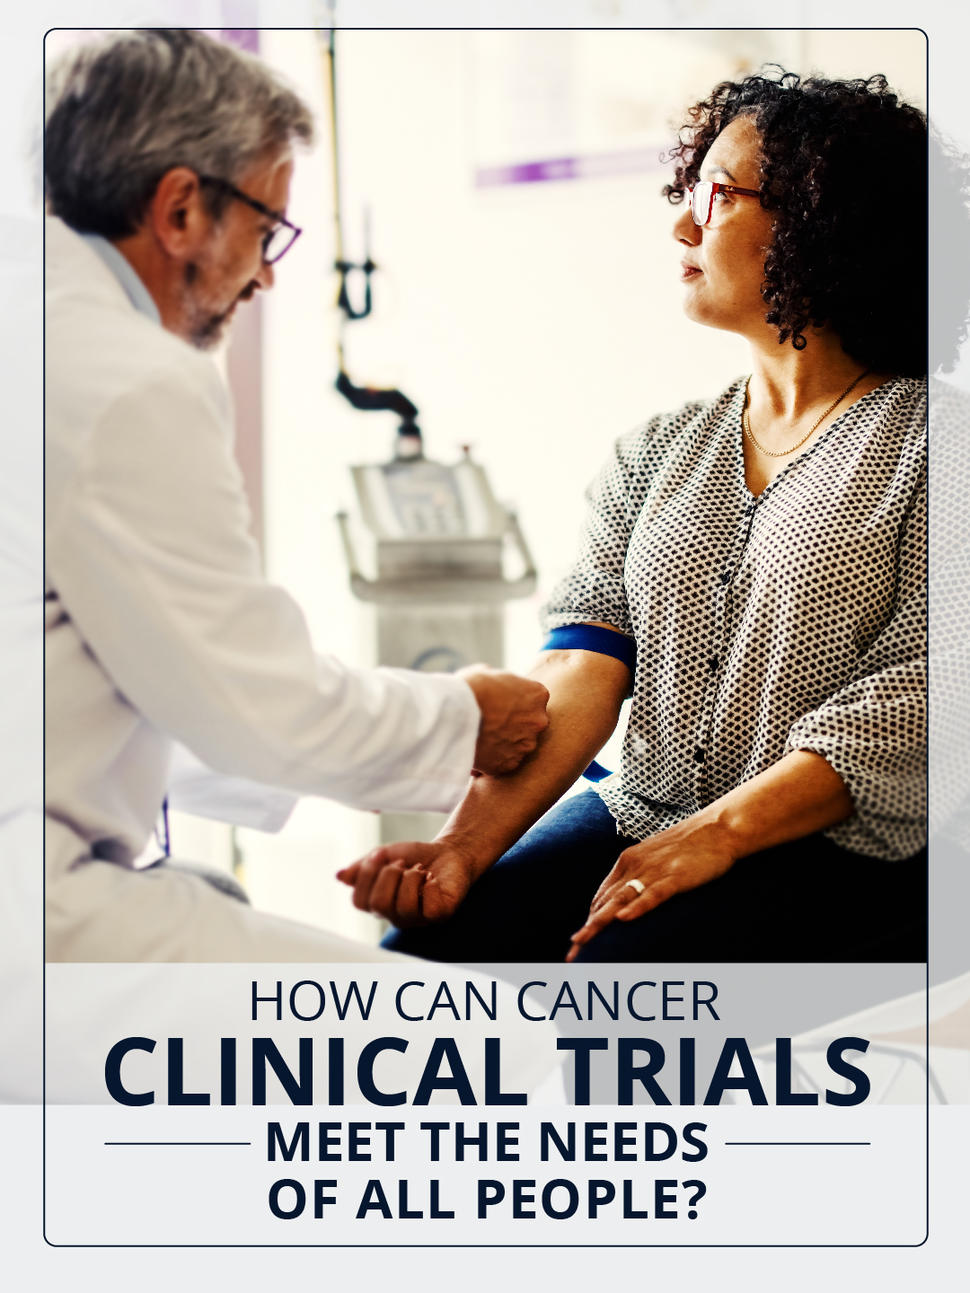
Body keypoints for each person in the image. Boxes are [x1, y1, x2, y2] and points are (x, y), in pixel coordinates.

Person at [339, 69, 928, 964]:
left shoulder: (934, 445)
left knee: (619, 985)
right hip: (645, 809)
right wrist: (460, 850)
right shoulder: (658, 450)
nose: (684, 224)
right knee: (419, 967)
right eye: (690, 193)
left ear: (820, 219)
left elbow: (922, 696)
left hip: (848, 843)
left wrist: (721, 833)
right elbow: (583, 665)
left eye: (720, 197)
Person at [43, 29, 548, 963]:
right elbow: (259, 705)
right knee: (475, 1049)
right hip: (37, 919)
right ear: (182, 209)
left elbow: (125, 685)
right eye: (267, 229)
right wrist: (467, 717)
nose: (269, 274)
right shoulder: (129, 380)